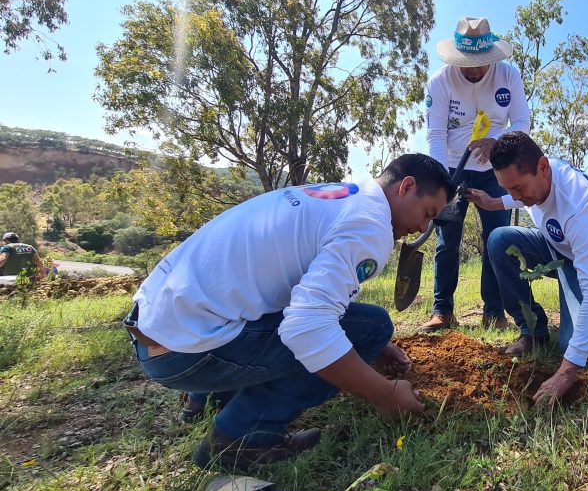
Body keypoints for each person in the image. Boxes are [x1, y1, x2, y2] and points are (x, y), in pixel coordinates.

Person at [124, 154, 454, 471]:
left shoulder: (339, 196)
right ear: (406, 186)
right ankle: (242, 437)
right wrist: (385, 395)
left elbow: (289, 289)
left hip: (158, 330)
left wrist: (376, 349)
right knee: (371, 328)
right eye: (427, 213)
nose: (422, 227)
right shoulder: (370, 225)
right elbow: (306, 328)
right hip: (184, 352)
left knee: (369, 328)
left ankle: (205, 398)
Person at [467, 132, 588, 404]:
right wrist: (494, 201)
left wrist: (565, 373)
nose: (515, 196)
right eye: (507, 189)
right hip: (557, 247)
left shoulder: (580, 207)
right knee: (499, 240)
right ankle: (532, 331)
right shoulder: (534, 177)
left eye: (518, 189)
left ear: (543, 168)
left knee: (575, 347)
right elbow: (517, 194)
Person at [419, 16, 531, 332]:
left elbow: (522, 121)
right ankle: (443, 311)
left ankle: (494, 312)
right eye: (467, 63)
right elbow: (435, 135)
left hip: (494, 172)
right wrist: (442, 181)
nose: (474, 70)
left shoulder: (508, 76)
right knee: (446, 242)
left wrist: (499, 142)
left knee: (496, 240)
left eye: (481, 63)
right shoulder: (440, 82)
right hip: (453, 167)